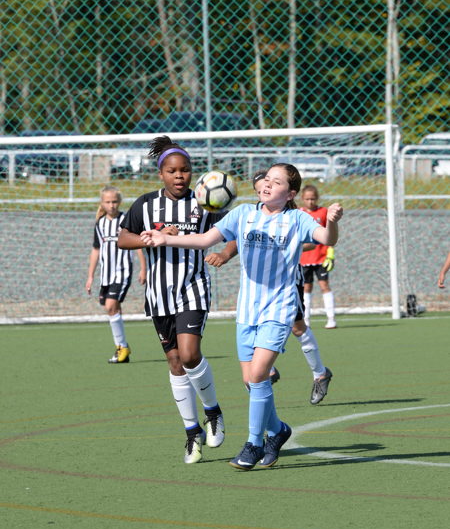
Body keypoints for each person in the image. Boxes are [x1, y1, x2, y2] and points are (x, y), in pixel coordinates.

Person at [142, 163, 343, 471]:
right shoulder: (243, 214)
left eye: (277, 182)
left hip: (279, 308)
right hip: (247, 309)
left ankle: (253, 443)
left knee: (260, 374)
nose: (268, 184)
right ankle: (278, 430)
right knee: (251, 381)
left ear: (290, 193)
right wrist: (165, 239)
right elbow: (205, 240)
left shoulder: (297, 219)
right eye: (267, 179)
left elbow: (327, 238)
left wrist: (332, 222)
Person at [117, 135, 235, 465]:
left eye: (185, 170)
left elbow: (235, 232)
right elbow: (122, 238)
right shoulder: (145, 205)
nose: (179, 176)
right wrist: (151, 239)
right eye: (172, 171)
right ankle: (191, 432)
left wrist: (225, 254)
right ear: (161, 174)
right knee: (174, 362)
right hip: (159, 294)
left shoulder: (205, 203)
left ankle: (213, 411)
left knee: (189, 354)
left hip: (193, 288)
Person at [206, 170, 333, 405]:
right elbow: (241, 238)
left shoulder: (293, 217)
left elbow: (310, 240)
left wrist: (289, 246)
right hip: (258, 291)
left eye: (269, 184)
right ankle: (267, 371)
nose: (263, 191)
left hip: (286, 283)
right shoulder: (251, 213)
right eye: (258, 189)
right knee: (257, 350)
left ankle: (320, 374)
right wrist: (225, 253)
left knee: (298, 328)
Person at [85, 185, 146, 364]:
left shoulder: (126, 220)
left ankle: (122, 347)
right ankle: (122, 347)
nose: (111, 205)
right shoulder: (100, 223)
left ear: (119, 202)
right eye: (107, 202)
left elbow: (138, 245)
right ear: (102, 203)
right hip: (106, 274)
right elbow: (96, 249)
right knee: (113, 309)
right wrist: (90, 276)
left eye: (114, 202)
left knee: (110, 306)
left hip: (122, 272)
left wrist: (144, 268)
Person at [300, 184, 337, 329]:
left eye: (313, 199)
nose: (310, 202)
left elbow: (330, 234)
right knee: (306, 288)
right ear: (302, 199)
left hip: (321, 257)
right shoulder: (299, 213)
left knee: (324, 285)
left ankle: (331, 318)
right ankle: (306, 319)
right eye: (307, 199)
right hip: (304, 259)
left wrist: (330, 253)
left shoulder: (323, 212)